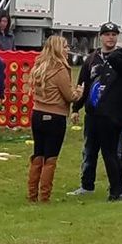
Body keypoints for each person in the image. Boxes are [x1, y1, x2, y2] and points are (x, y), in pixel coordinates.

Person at [70, 23, 122, 203]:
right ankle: (112, 189)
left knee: (112, 153)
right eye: (107, 34)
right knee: (95, 151)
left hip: (111, 115)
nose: (111, 38)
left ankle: (117, 191)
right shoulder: (95, 59)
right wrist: (76, 107)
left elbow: (114, 59)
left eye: (115, 35)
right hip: (98, 112)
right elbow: (84, 84)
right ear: (100, 37)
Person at [26, 33, 77, 202]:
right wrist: (80, 92)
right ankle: (45, 196)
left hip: (37, 114)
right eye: (65, 46)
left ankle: (32, 194)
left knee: (38, 154)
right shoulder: (60, 69)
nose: (67, 49)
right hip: (55, 116)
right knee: (51, 157)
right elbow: (69, 96)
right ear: (57, 48)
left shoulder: (40, 66)